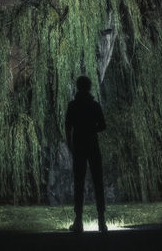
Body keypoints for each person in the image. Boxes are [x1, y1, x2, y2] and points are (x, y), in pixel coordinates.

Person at [64, 75, 107, 233]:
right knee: (98, 182)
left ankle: (78, 221)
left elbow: (68, 127)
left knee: (79, 183)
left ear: (78, 87)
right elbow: (103, 125)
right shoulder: (94, 105)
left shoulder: (73, 105)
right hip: (93, 146)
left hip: (79, 147)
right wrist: (91, 129)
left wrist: (71, 144)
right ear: (89, 87)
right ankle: (101, 220)